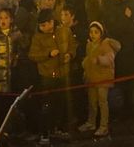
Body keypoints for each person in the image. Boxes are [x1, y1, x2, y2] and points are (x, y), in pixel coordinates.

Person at [29, 9, 75, 143]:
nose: (44, 28)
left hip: (63, 74)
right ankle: (45, 132)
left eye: (45, 24)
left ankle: (58, 129)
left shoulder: (64, 31)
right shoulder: (37, 37)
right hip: (47, 76)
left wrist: (70, 55)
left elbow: (73, 45)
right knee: (47, 106)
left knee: (61, 103)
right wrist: (48, 54)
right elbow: (32, 55)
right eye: (41, 26)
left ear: (52, 22)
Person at [79, 21, 119, 137]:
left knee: (102, 102)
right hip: (92, 77)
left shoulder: (106, 44)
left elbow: (109, 59)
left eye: (96, 32)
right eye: (91, 32)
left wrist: (99, 60)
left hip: (103, 77)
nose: (92, 35)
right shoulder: (89, 45)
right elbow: (88, 59)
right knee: (92, 102)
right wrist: (85, 66)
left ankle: (103, 126)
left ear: (101, 33)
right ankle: (91, 122)